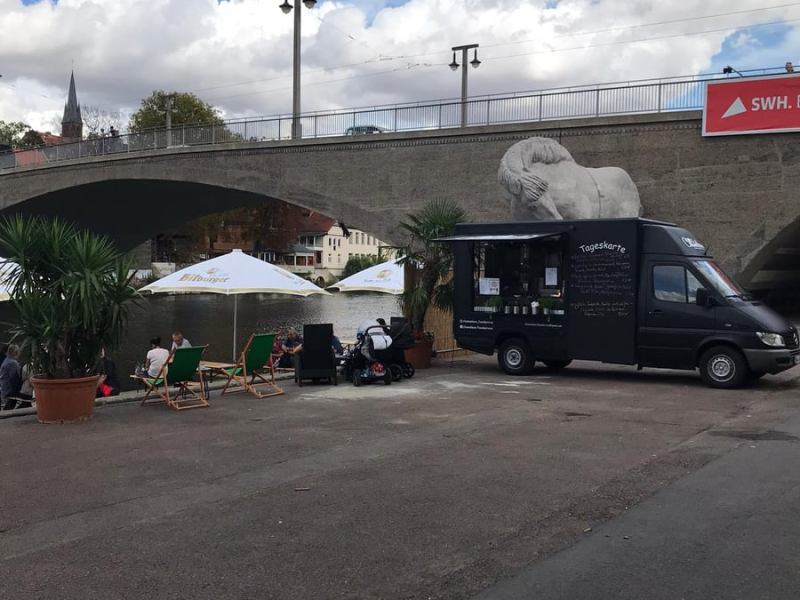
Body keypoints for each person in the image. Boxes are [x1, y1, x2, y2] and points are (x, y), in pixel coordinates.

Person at [0, 344, 22, 410]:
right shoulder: (13, 363)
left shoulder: (7, 360)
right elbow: (15, 378)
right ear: (15, 352)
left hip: (4, 387)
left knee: (9, 406)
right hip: (9, 390)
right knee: (10, 406)